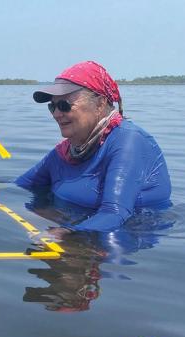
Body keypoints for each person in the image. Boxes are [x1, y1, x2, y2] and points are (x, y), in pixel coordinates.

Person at [15, 61, 172, 232]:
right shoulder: (66, 151)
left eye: (64, 105)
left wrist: (69, 234)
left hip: (123, 237)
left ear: (100, 104)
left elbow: (115, 214)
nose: (57, 114)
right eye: (52, 106)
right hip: (75, 226)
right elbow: (20, 186)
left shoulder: (128, 142)